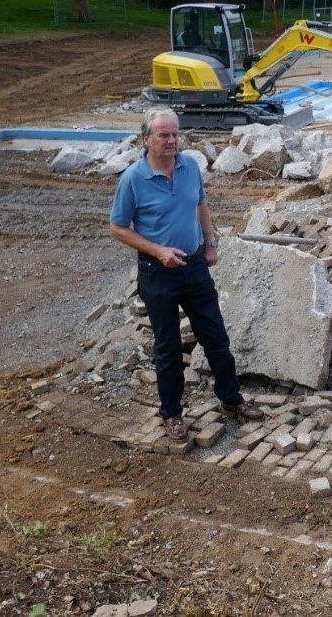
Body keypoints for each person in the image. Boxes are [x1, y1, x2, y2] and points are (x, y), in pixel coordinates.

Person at [109, 108, 263, 442]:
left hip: (195, 267)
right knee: (168, 348)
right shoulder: (133, 179)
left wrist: (211, 242)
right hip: (158, 273)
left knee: (216, 339)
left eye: (175, 133)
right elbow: (118, 228)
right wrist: (158, 251)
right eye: (163, 135)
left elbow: (200, 204)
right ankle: (172, 414)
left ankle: (231, 400)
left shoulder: (189, 166)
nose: (171, 140)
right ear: (146, 139)